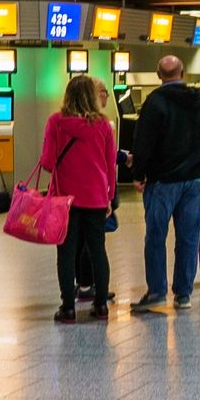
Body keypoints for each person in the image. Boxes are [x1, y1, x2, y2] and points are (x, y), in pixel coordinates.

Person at [131, 54, 200, 311]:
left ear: (159, 76)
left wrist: (138, 174)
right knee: (189, 236)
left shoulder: (154, 102)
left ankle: (157, 291)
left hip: (163, 181)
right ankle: (183, 294)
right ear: (183, 73)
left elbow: (143, 142)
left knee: (156, 235)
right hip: (195, 179)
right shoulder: (198, 99)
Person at [40, 73, 120, 323]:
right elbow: (110, 165)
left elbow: (47, 162)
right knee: (97, 250)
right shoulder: (103, 125)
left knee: (66, 252)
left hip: (65, 200)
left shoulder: (56, 122)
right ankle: (101, 306)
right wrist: (109, 197)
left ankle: (68, 308)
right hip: (95, 198)